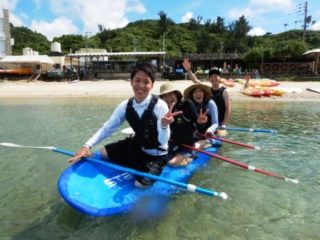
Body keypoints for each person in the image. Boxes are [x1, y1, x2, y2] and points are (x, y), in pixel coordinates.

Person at [68, 62, 176, 188]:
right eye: (137, 80)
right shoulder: (125, 105)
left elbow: (163, 141)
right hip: (137, 147)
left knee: (140, 185)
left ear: (152, 86)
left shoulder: (160, 105)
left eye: (146, 82)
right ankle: (136, 163)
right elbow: (108, 127)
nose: (141, 85)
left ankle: (151, 169)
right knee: (104, 152)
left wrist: (164, 125)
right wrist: (87, 146)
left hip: (156, 155)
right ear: (131, 82)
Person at [159, 82, 208, 166]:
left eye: (170, 94)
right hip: (172, 144)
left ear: (176, 94)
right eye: (165, 96)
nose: (168, 98)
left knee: (172, 163)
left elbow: (199, 124)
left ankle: (191, 155)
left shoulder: (187, 104)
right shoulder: (162, 108)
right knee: (159, 161)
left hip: (187, 146)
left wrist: (200, 122)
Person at [183, 58, 231, 135]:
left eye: (216, 76)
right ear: (209, 79)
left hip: (220, 121)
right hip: (209, 119)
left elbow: (228, 110)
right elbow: (195, 81)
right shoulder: (207, 90)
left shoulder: (224, 92)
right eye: (212, 77)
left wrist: (224, 124)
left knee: (221, 135)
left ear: (220, 78)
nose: (214, 78)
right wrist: (189, 70)